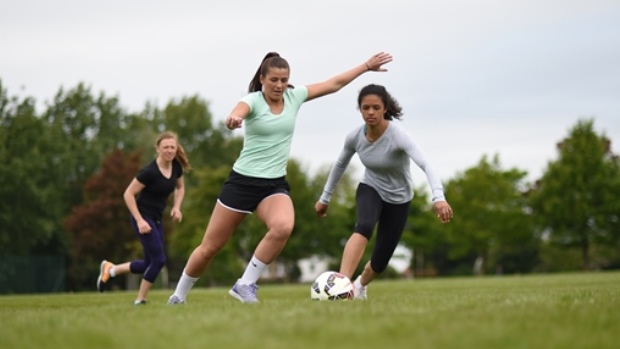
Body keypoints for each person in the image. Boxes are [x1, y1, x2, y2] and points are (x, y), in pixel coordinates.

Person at [168, 51, 393, 304]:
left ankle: (245, 284)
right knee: (210, 247)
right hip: (242, 182)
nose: (279, 85)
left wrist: (365, 66)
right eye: (274, 79)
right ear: (262, 79)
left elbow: (333, 84)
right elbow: (239, 111)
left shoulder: (294, 97)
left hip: (273, 185)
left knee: (283, 226)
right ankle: (179, 295)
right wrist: (234, 120)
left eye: (284, 80)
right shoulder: (252, 101)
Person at [314, 84, 453, 300]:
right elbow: (340, 165)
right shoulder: (354, 138)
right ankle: (340, 286)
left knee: (380, 261)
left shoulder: (398, 136)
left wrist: (438, 197)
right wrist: (325, 197)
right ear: (359, 109)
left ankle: (360, 285)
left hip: (399, 199)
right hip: (371, 188)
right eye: (365, 107)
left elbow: (426, 164)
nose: (370, 112)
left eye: (376, 107)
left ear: (384, 108)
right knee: (364, 226)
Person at [97, 131, 190, 305]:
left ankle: (111, 270)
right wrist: (140, 220)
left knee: (149, 262)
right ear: (157, 149)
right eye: (166, 147)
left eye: (172, 147)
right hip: (142, 217)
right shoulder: (149, 172)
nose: (170, 151)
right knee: (159, 260)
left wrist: (177, 208)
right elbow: (128, 194)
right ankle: (140, 300)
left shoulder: (176, 166)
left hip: (156, 219)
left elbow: (180, 188)